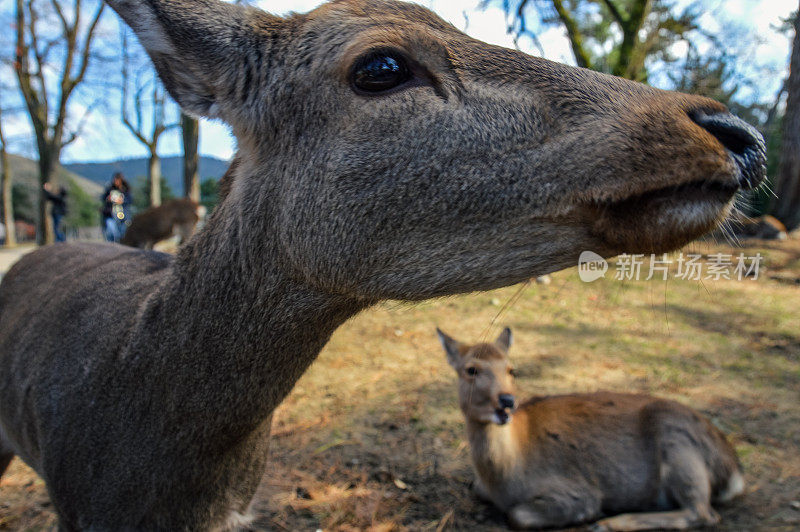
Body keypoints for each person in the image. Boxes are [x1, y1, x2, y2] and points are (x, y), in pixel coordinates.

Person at [101, 173, 132, 242]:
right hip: (111, 215)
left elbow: (130, 200)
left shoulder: (125, 190)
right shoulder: (109, 189)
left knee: (121, 235)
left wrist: (122, 201)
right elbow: (103, 198)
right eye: (114, 180)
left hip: (122, 216)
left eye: (117, 180)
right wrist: (108, 199)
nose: (115, 182)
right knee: (111, 233)